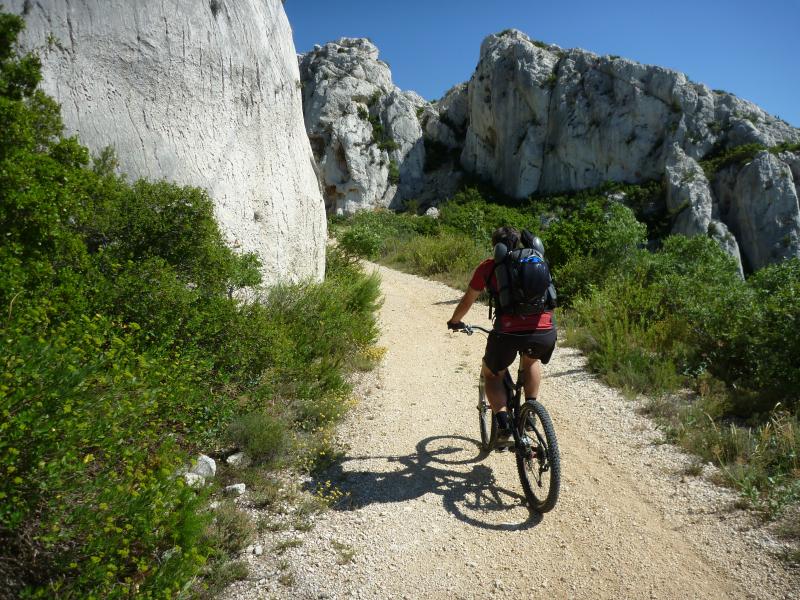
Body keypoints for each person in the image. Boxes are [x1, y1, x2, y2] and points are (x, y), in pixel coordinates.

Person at [447, 226, 557, 444]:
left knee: (493, 375)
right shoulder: (537, 260)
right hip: (544, 330)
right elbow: (549, 298)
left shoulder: (489, 267)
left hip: (507, 333)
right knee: (531, 360)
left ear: (496, 245)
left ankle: (504, 426)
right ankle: (530, 411)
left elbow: (468, 299)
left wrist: (455, 321)